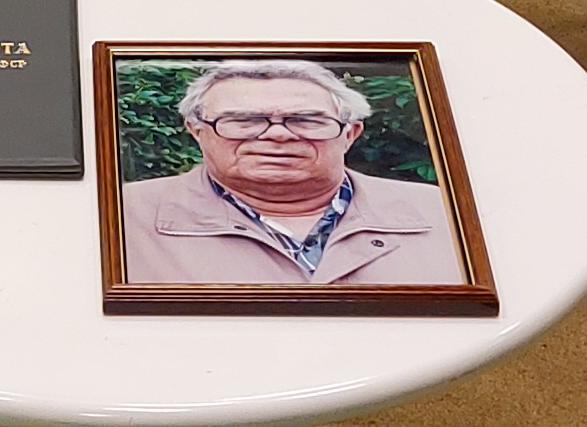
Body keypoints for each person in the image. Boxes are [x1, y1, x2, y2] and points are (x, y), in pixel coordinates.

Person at [117, 59, 463, 287]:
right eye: (243, 120)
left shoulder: (447, 214)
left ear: (350, 133)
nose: (278, 135)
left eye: (306, 120)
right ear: (197, 131)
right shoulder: (119, 216)